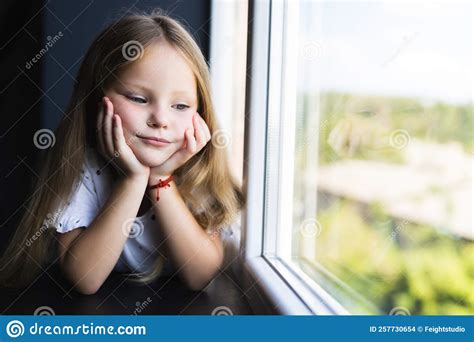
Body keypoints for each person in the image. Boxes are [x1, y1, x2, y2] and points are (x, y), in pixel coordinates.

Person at [0, 10, 244, 295]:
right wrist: (134, 179)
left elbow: (199, 275)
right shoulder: (84, 167)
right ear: (97, 100)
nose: (161, 120)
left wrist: (161, 179)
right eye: (139, 99)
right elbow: (85, 279)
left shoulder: (197, 170)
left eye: (180, 106)